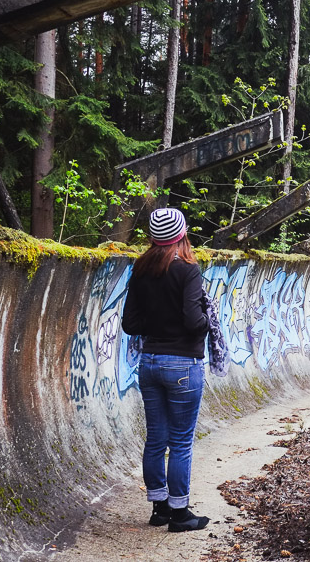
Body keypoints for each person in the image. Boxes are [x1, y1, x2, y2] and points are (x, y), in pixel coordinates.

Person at [121, 207, 214, 532]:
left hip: (149, 364)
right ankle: (179, 514)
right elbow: (193, 320)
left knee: (156, 439)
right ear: (181, 236)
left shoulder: (140, 269)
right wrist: (206, 319)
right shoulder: (188, 270)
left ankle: (159, 508)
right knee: (181, 442)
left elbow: (130, 323)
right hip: (184, 366)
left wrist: (158, 323)